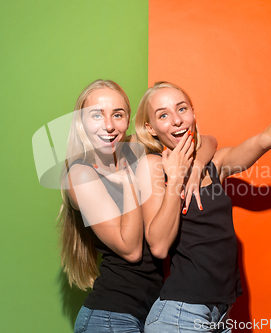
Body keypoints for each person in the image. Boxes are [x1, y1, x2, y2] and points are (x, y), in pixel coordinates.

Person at [134, 68, 271, 332]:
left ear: (193, 114)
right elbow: (159, 246)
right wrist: (176, 180)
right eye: (163, 115)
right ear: (150, 128)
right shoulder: (154, 166)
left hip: (220, 315)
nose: (176, 120)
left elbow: (265, 139)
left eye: (182, 109)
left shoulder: (215, 163)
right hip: (180, 315)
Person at [58, 79, 217, 333]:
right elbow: (130, 249)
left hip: (144, 315)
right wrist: (131, 181)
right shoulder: (81, 174)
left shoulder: (132, 149)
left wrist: (196, 167)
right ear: (81, 123)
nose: (109, 126)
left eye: (117, 115)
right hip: (109, 317)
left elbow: (206, 141)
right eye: (96, 115)